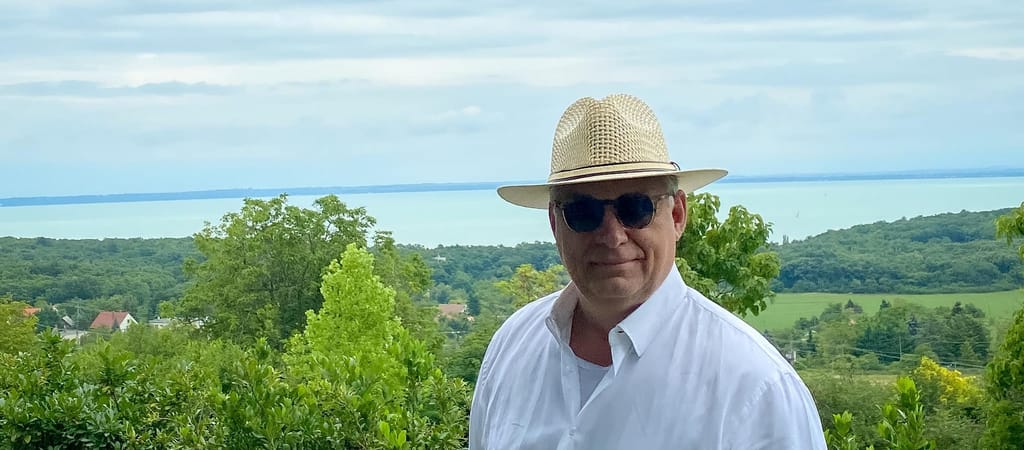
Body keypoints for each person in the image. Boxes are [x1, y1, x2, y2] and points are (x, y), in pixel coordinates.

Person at [469, 94, 826, 449]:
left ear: (677, 215)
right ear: (554, 222)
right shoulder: (511, 348)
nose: (612, 236)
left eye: (635, 208)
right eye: (583, 212)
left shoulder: (755, 389)